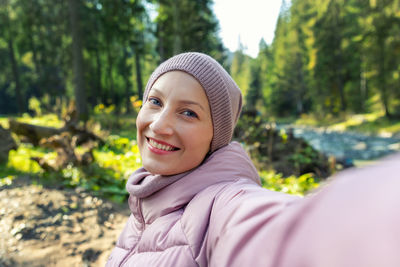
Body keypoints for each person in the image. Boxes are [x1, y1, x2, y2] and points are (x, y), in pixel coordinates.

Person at [106, 52, 400, 267]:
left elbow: (278, 236)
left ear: (216, 135)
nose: (158, 125)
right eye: (155, 102)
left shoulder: (220, 205)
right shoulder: (146, 201)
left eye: (188, 113)